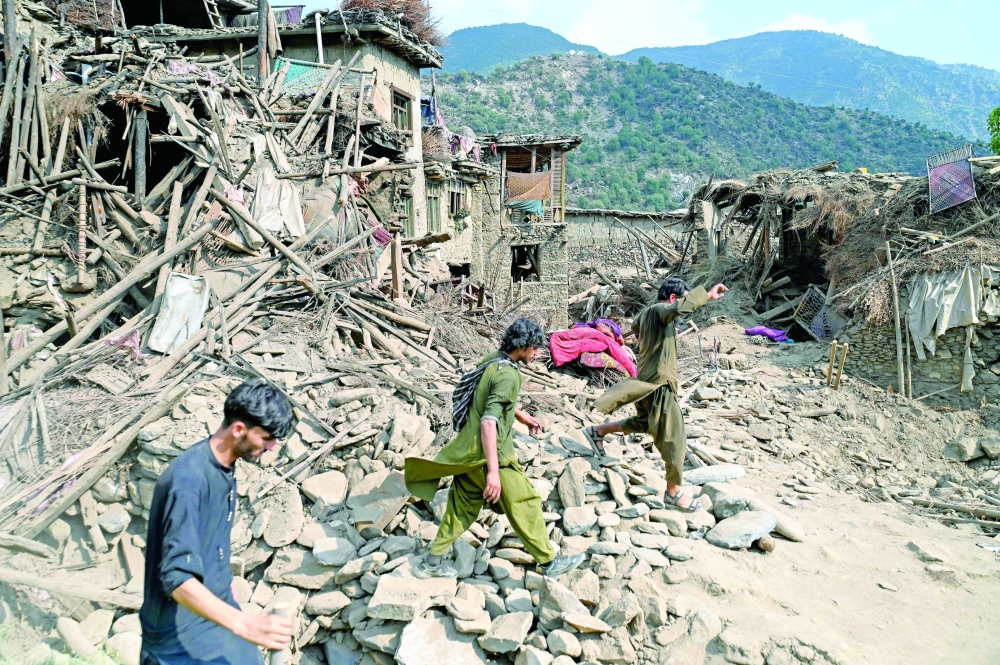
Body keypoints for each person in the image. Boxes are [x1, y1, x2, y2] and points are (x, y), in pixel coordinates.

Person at [405, 318, 585, 579]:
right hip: (492, 456)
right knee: (525, 502)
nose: (537, 352)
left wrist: (519, 415)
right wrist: (493, 473)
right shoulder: (510, 375)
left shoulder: (493, 360)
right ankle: (549, 562)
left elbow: (489, 398)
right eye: (535, 348)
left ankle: (431, 563)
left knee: (461, 508)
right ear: (522, 347)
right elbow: (489, 422)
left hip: (466, 454)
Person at [140, 379, 296, 665]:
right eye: (266, 438)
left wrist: (226, 588)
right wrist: (245, 624)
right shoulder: (189, 480)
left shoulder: (224, 467)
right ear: (239, 430)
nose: (273, 447)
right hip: (178, 636)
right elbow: (177, 578)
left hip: (214, 614)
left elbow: (210, 544)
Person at [585, 278, 728, 512]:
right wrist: (707, 295)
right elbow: (679, 308)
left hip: (646, 382)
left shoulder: (647, 313)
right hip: (659, 385)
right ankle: (673, 492)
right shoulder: (660, 310)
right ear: (672, 298)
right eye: (680, 299)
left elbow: (636, 329)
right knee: (675, 438)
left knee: (644, 423)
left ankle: (598, 431)